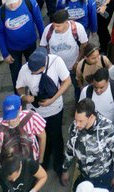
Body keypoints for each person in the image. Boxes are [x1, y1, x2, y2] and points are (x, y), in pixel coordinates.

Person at [16, 47, 70, 181]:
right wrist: (24, 97)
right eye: (32, 72)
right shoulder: (24, 70)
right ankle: (42, 166)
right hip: (35, 113)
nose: (34, 73)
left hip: (54, 109)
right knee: (38, 139)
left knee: (56, 137)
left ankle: (59, 166)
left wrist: (52, 99)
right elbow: (19, 87)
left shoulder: (56, 62)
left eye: (37, 71)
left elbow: (67, 81)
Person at [62, 99, 114, 190]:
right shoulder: (74, 128)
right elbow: (70, 150)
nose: (77, 124)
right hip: (83, 175)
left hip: (103, 176)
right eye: (76, 120)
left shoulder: (108, 129)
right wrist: (65, 170)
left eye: (80, 121)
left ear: (91, 117)